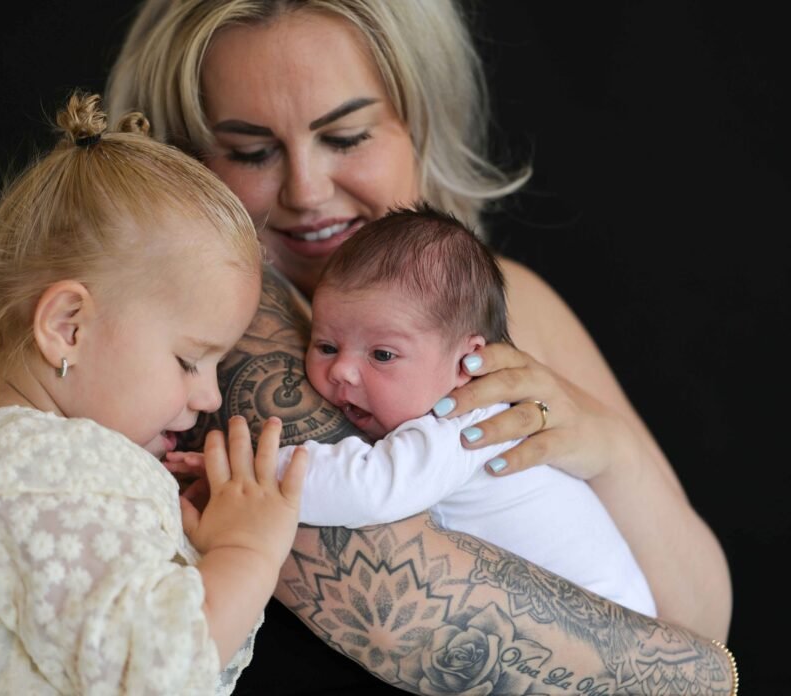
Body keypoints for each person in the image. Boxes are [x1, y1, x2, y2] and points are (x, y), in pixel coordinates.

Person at [104, 1, 737, 694]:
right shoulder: (188, 329)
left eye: (345, 137)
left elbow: (704, 624)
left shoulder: (513, 303)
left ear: (420, 123)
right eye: (252, 151)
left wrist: (612, 451)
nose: (308, 191)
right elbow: (403, 611)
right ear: (181, 157)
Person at [0, 92, 308, 695]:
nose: (209, 396)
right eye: (189, 360)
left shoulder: (2, 455)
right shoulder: (42, 470)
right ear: (67, 327)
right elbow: (155, 668)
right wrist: (247, 550)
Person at [172, 202, 656, 616]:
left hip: (608, 621)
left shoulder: (465, 422)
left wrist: (248, 476)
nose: (342, 371)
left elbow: (371, 487)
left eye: (382, 355)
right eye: (325, 345)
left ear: (468, 363)